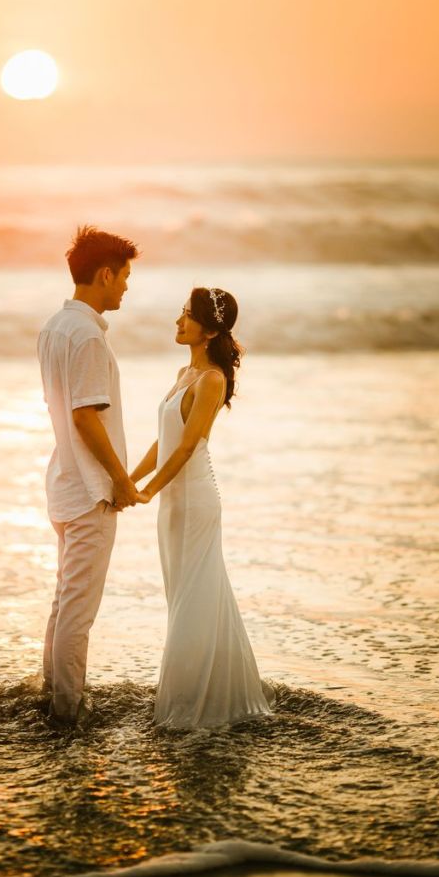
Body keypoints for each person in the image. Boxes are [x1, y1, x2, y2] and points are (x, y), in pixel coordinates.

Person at [131, 287, 276, 728]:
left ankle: (193, 707)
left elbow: (190, 446)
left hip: (194, 498)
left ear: (210, 329)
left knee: (194, 597)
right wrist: (127, 478)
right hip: (174, 500)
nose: (178, 322)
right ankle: (201, 691)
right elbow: (165, 439)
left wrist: (148, 490)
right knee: (182, 594)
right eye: (180, 313)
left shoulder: (211, 379)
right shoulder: (183, 372)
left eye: (187, 316)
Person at [37, 225, 139, 726]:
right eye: (123, 277)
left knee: (64, 602)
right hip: (90, 490)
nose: (125, 287)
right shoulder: (88, 337)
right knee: (78, 611)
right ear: (104, 274)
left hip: (64, 482)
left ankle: (52, 694)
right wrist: (120, 480)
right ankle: (67, 714)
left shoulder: (54, 327)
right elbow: (84, 416)